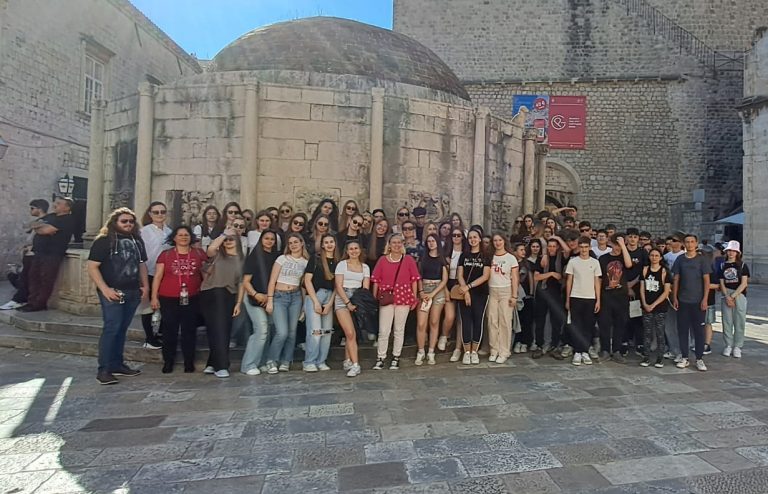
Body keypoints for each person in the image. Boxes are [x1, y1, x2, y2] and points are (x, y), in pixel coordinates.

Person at [87, 207, 149, 385]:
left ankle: (117, 364)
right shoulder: (104, 240)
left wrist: (145, 286)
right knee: (111, 328)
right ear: (115, 222)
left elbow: (142, 264)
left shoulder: (137, 240)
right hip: (113, 291)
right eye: (124, 221)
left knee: (122, 329)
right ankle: (104, 369)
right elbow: (92, 266)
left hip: (132, 290)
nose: (128, 224)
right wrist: (105, 289)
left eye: (131, 221)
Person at [151, 226, 207, 374]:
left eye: (186, 235)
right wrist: (154, 297)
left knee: (189, 330)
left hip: (192, 297)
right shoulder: (166, 255)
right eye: (180, 235)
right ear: (174, 238)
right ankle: (168, 361)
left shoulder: (198, 253)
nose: (183, 237)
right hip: (168, 298)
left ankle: (189, 362)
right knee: (169, 330)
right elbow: (158, 276)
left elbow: (205, 274)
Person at [372, 233, 420, 370]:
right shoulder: (382, 260)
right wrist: (375, 296)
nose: (397, 245)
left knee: (399, 329)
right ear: (389, 245)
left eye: (399, 242)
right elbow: (376, 280)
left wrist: (414, 297)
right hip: (387, 296)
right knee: (384, 330)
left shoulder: (408, 259)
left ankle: (396, 357)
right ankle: (381, 357)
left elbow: (414, 280)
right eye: (394, 242)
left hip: (404, 296)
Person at [200, 227, 243, 378]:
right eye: (226, 240)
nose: (228, 241)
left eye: (232, 239)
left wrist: (238, 303)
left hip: (228, 294)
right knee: (214, 329)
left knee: (222, 329)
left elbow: (241, 284)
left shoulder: (242, 260)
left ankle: (217, 364)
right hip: (210, 293)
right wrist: (224, 234)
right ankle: (217, 364)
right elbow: (210, 248)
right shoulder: (217, 255)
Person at [265, 233, 309, 373]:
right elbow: (272, 280)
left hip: (295, 297)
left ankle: (286, 360)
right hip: (279, 296)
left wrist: (303, 306)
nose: (293, 245)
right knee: (282, 332)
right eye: (290, 243)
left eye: (296, 242)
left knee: (291, 332)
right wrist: (270, 300)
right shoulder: (282, 258)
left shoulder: (305, 262)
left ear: (302, 243)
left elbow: (303, 285)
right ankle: (271, 359)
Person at [22, 196, 75, 312]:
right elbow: (29, 225)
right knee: (33, 277)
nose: (54, 205)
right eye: (55, 202)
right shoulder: (51, 216)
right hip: (39, 252)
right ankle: (31, 302)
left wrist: (39, 228)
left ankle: (39, 304)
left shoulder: (67, 219)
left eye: (59, 203)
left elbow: (47, 230)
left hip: (52, 254)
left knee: (46, 279)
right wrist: (39, 227)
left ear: (67, 207)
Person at [239, 230, 279, 375]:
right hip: (253, 296)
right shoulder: (254, 256)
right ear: (261, 239)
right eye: (266, 238)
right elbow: (246, 282)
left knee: (268, 330)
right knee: (261, 330)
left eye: (272, 239)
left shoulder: (277, 257)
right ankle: (248, 364)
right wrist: (256, 295)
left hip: (270, 298)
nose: (269, 241)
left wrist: (269, 297)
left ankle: (261, 362)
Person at [671, 233, 712, 371]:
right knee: (683, 330)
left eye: (692, 242)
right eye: (687, 242)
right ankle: (684, 357)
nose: (689, 244)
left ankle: (699, 358)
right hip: (683, 300)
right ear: (684, 244)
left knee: (699, 331)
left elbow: (706, 280)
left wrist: (705, 299)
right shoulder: (680, 259)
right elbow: (676, 278)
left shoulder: (702, 260)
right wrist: (674, 297)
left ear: (696, 243)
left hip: (698, 301)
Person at [1, 199, 49, 311]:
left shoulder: (45, 221)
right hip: (29, 253)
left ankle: (19, 299)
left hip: (34, 254)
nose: (30, 210)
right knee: (25, 277)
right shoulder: (39, 221)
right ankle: (22, 298)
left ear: (39, 209)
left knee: (26, 278)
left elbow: (27, 227)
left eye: (32, 208)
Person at [138, 201, 171, 350]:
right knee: (148, 306)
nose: (160, 215)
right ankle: (149, 338)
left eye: (162, 212)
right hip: (149, 271)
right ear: (150, 214)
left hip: (165, 273)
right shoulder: (144, 231)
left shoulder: (169, 231)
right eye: (156, 212)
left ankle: (161, 333)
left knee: (166, 305)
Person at [303, 234, 338, 372]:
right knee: (315, 331)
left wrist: (330, 304)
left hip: (329, 296)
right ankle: (309, 362)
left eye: (331, 242)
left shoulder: (338, 261)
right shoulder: (315, 259)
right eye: (326, 242)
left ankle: (321, 361)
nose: (329, 244)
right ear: (322, 245)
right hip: (315, 295)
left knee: (327, 332)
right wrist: (315, 302)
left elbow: (337, 285)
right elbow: (307, 280)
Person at [564, 236, 602, 366]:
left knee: (588, 326)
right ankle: (577, 351)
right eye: (581, 247)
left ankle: (585, 351)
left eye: (586, 247)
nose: (584, 250)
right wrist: (568, 299)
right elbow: (569, 281)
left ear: (590, 247)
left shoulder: (595, 262)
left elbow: (597, 282)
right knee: (576, 325)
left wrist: (598, 300)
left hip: (590, 298)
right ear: (578, 247)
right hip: (576, 296)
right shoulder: (573, 262)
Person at [456, 229, 491, 365]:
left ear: (480, 239)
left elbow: (485, 276)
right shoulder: (464, 255)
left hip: (480, 292)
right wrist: (465, 291)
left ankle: (474, 351)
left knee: (478, 320)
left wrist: (468, 287)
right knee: (465, 321)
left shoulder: (485, 256)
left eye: (475, 237)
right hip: (464, 292)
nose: (473, 240)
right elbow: (460, 275)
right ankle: (466, 352)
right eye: (470, 237)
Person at [597, 234, 633, 363]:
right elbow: (599, 279)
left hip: (621, 296)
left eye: (620, 245)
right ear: (611, 244)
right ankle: (605, 350)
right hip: (606, 296)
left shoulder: (624, 256)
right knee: (604, 324)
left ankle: (617, 350)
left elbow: (628, 264)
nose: (618, 247)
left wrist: (623, 246)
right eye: (616, 244)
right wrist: (598, 298)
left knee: (620, 323)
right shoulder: (603, 258)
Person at [335, 239, 368, 377]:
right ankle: (355, 365)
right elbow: (338, 286)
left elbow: (365, 287)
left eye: (356, 248)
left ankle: (347, 359)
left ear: (360, 250)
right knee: (349, 332)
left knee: (353, 332)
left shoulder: (365, 267)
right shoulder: (342, 265)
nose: (354, 251)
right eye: (351, 249)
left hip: (357, 298)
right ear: (347, 251)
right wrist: (347, 302)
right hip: (342, 298)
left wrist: (358, 302)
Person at [415, 233, 448, 365]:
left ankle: (431, 351)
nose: (431, 243)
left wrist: (433, 293)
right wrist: (421, 292)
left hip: (437, 291)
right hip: (424, 289)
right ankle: (420, 351)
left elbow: (444, 280)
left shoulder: (442, 259)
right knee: (421, 323)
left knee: (434, 321)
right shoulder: (423, 258)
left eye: (433, 241)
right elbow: (418, 277)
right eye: (429, 241)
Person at [487, 233, 519, 364]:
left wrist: (514, 295)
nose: (498, 243)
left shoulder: (511, 258)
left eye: (500, 240)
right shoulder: (490, 257)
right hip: (492, 291)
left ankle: (504, 351)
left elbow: (515, 278)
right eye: (495, 240)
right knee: (492, 321)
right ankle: (494, 349)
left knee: (505, 321)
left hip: (506, 291)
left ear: (504, 241)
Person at [532, 239, 565, 359]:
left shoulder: (561, 259)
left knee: (556, 321)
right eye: (549, 246)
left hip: (556, 293)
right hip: (543, 292)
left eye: (554, 246)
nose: (551, 248)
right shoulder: (542, 259)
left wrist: (557, 237)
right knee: (540, 320)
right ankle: (539, 345)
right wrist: (551, 274)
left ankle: (555, 346)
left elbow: (567, 250)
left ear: (557, 247)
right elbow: (536, 277)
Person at [639, 247, 671, 368]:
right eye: (652, 255)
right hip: (646, 305)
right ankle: (646, 357)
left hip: (660, 306)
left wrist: (654, 305)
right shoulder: (645, 270)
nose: (654, 258)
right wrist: (645, 304)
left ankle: (659, 358)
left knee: (660, 332)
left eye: (656, 255)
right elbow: (642, 288)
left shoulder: (664, 272)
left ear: (661, 257)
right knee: (647, 332)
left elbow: (666, 291)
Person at [719, 240, 749, 358]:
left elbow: (744, 283)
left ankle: (737, 346)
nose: (731, 253)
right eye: (729, 251)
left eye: (733, 251)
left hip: (739, 294)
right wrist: (727, 296)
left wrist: (732, 296)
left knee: (739, 320)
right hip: (726, 293)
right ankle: (728, 345)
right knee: (727, 321)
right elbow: (721, 282)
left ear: (737, 253)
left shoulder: (742, 265)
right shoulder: (722, 265)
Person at [442, 228, 466, 360]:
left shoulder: (465, 253)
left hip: (461, 284)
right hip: (449, 283)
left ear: (462, 237)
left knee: (461, 319)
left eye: (459, 235)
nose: (456, 237)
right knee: (450, 316)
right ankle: (444, 335)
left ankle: (458, 348)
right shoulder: (446, 252)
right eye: (454, 235)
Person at [662, 233, 685, 359]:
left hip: (681, 292)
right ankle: (673, 348)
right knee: (669, 324)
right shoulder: (665, 257)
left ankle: (682, 350)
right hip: (667, 291)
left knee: (680, 324)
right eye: (671, 240)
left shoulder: (684, 256)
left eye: (675, 240)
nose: (672, 242)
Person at [512, 242, 535, 353]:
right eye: (520, 250)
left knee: (527, 320)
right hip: (514, 295)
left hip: (526, 295)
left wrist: (531, 292)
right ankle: (517, 341)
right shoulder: (512, 263)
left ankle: (525, 342)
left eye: (524, 250)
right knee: (517, 320)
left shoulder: (527, 264)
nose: (523, 252)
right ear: (514, 252)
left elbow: (530, 279)